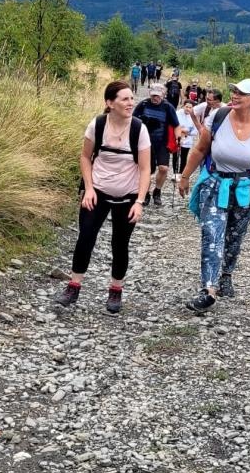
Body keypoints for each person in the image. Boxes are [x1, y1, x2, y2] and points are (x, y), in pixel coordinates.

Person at [178, 78, 250, 311]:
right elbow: (200, 149)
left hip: (247, 190)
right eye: (234, 91)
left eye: (241, 93)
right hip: (215, 184)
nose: (234, 95)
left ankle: (226, 275)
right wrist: (185, 176)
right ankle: (208, 290)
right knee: (212, 234)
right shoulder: (219, 117)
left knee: (234, 235)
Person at [56, 81, 151, 314]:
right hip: (97, 191)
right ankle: (73, 286)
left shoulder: (139, 129)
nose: (131, 103)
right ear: (110, 103)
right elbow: (85, 157)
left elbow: (145, 168)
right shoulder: (97, 125)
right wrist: (89, 188)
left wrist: (139, 201)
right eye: (125, 99)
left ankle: (116, 290)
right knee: (85, 237)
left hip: (128, 195)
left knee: (120, 243)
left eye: (132, 98)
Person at [134, 82, 181, 206]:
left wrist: (178, 138)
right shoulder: (143, 104)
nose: (155, 98)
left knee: (163, 168)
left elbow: (176, 125)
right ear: (150, 94)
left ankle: (157, 191)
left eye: (158, 96)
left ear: (163, 95)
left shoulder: (168, 107)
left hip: (162, 142)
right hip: (145, 143)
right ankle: (146, 193)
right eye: (153, 95)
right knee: (147, 170)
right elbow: (132, 120)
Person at [174, 99, 199, 176]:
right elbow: (173, 125)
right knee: (175, 156)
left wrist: (187, 132)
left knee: (184, 157)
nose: (188, 109)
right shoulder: (177, 113)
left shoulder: (195, 116)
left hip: (187, 139)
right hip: (177, 137)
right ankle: (175, 173)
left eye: (190, 107)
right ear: (183, 106)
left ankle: (181, 173)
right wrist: (180, 130)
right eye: (186, 107)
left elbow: (195, 131)